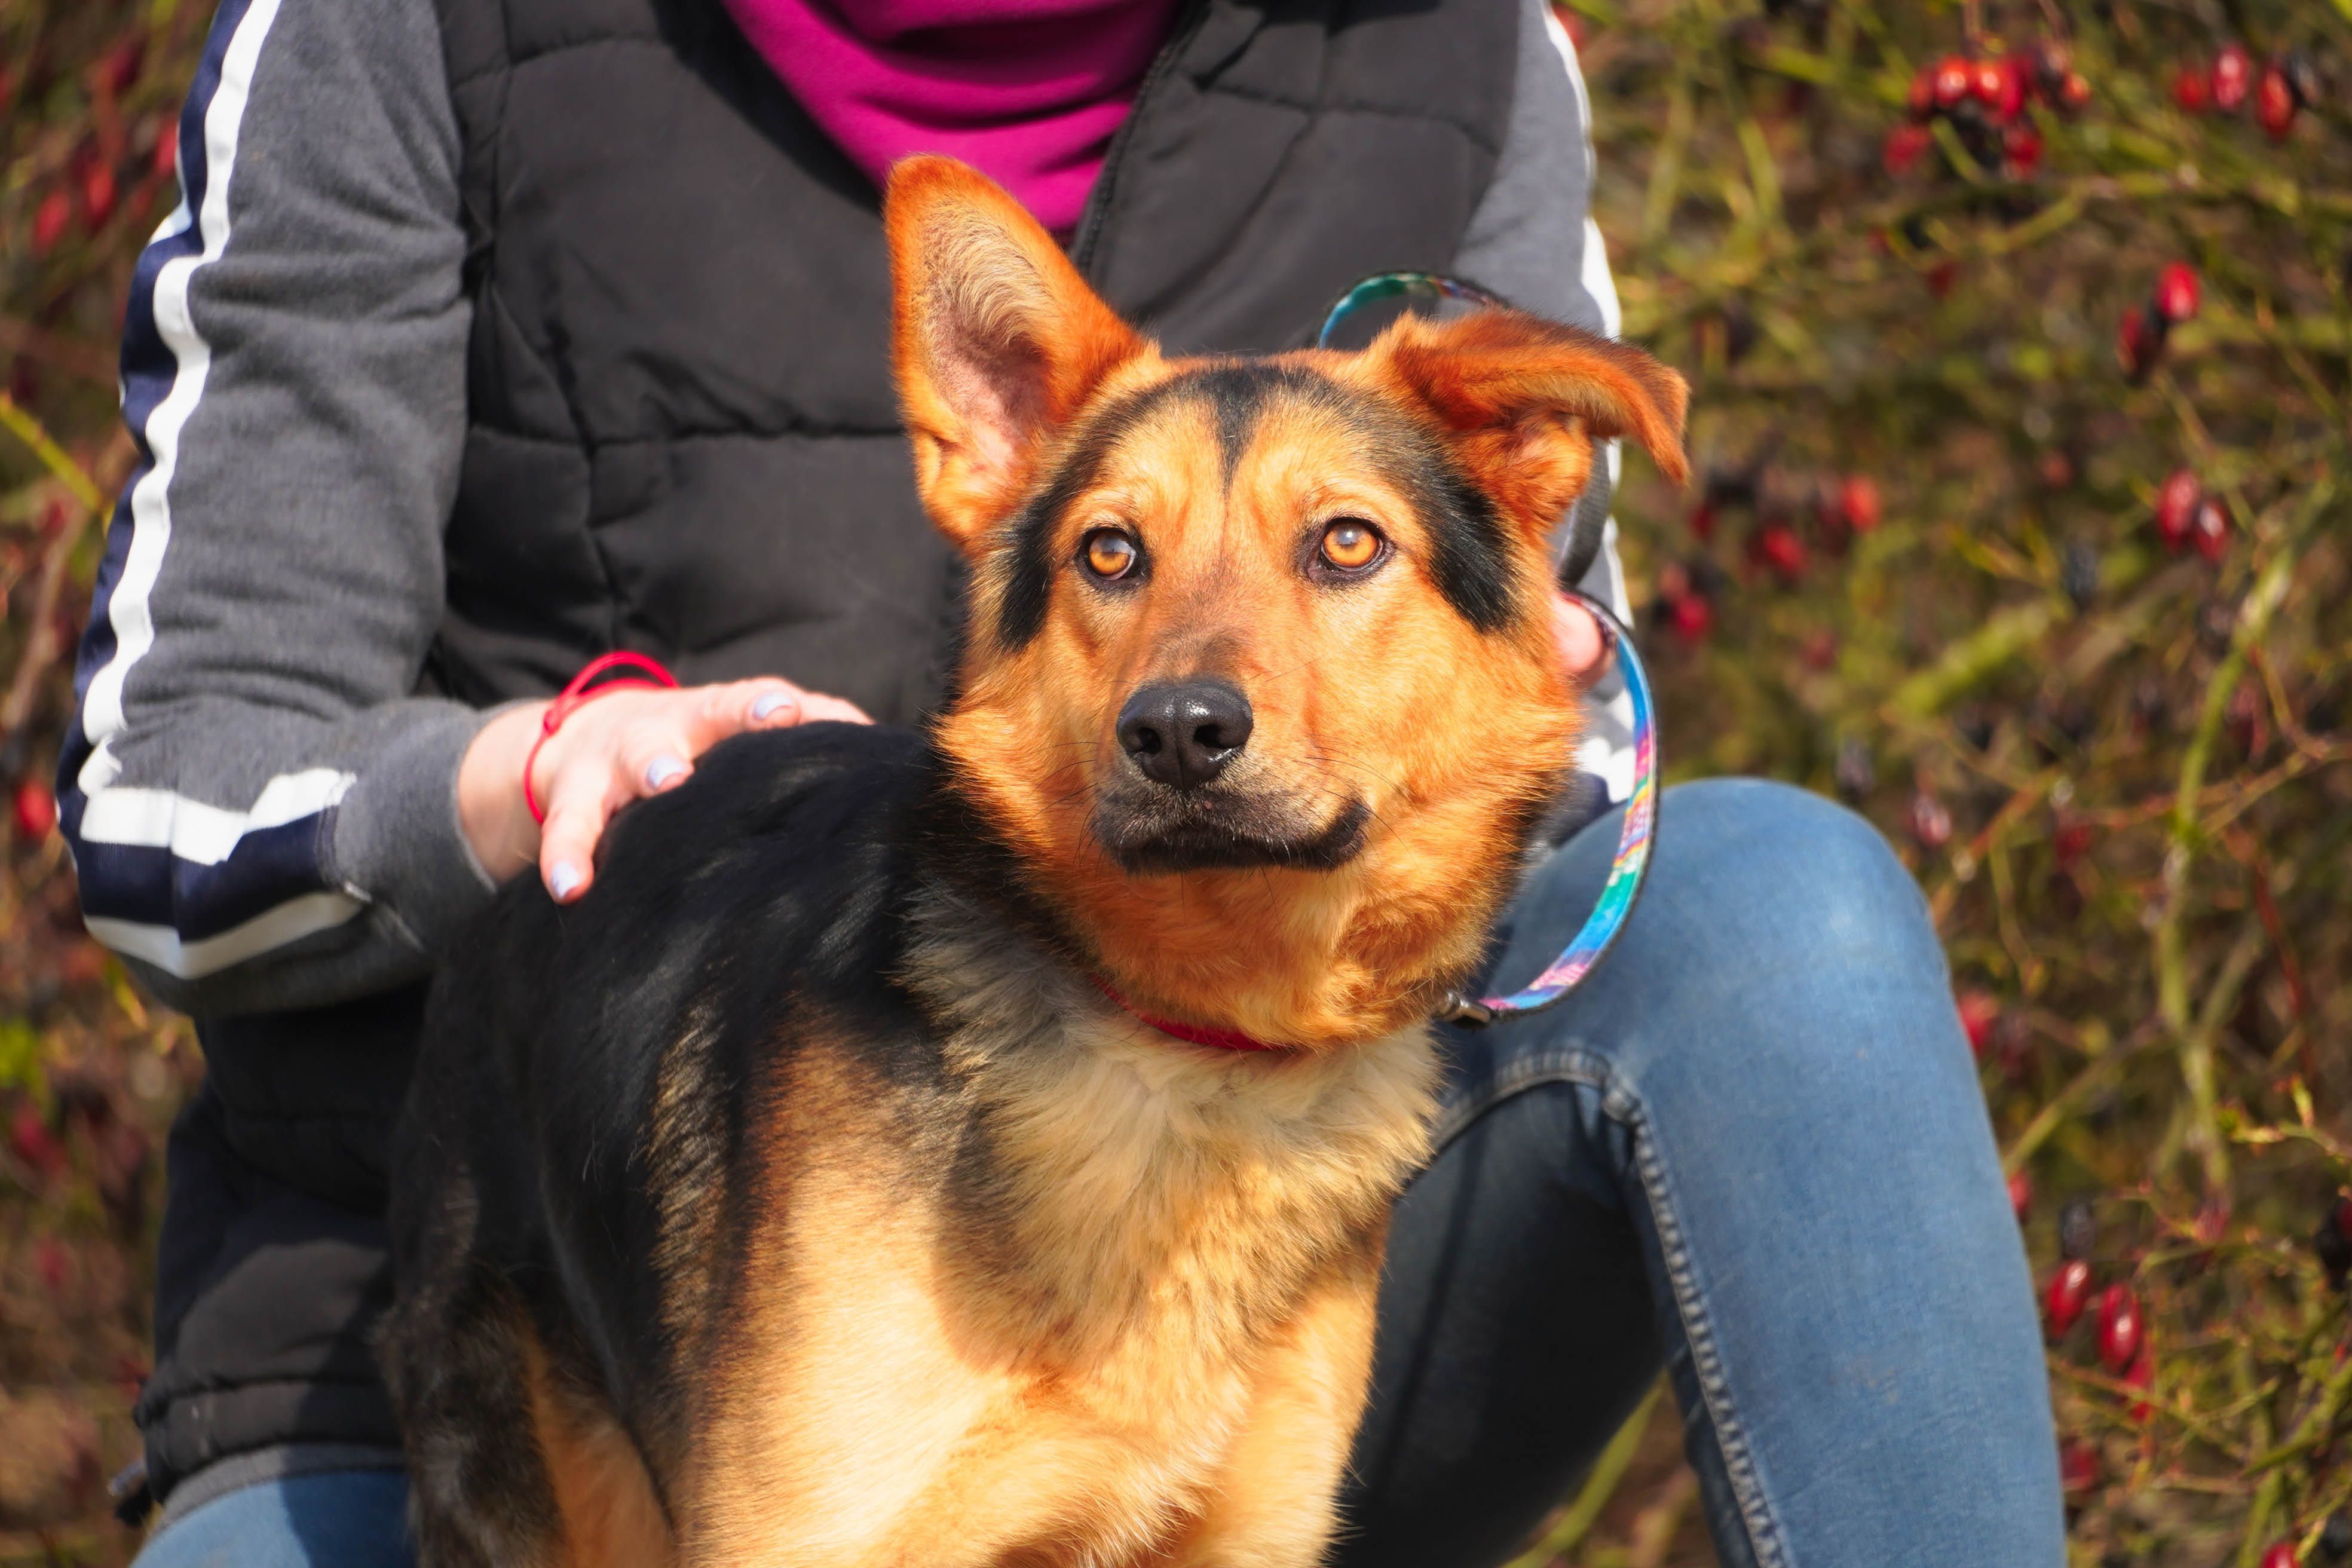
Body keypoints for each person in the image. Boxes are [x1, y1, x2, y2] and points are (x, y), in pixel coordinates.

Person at [60, 0, 2066, 1563]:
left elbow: (1561, 739)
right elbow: (164, 789)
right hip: (477, 1289)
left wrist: (1530, 681)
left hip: (1289, 1205)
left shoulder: (1453, 47)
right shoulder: (398, 32)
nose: (1200, 683)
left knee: (1785, 908)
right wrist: (521, 780)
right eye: (1123, 564)